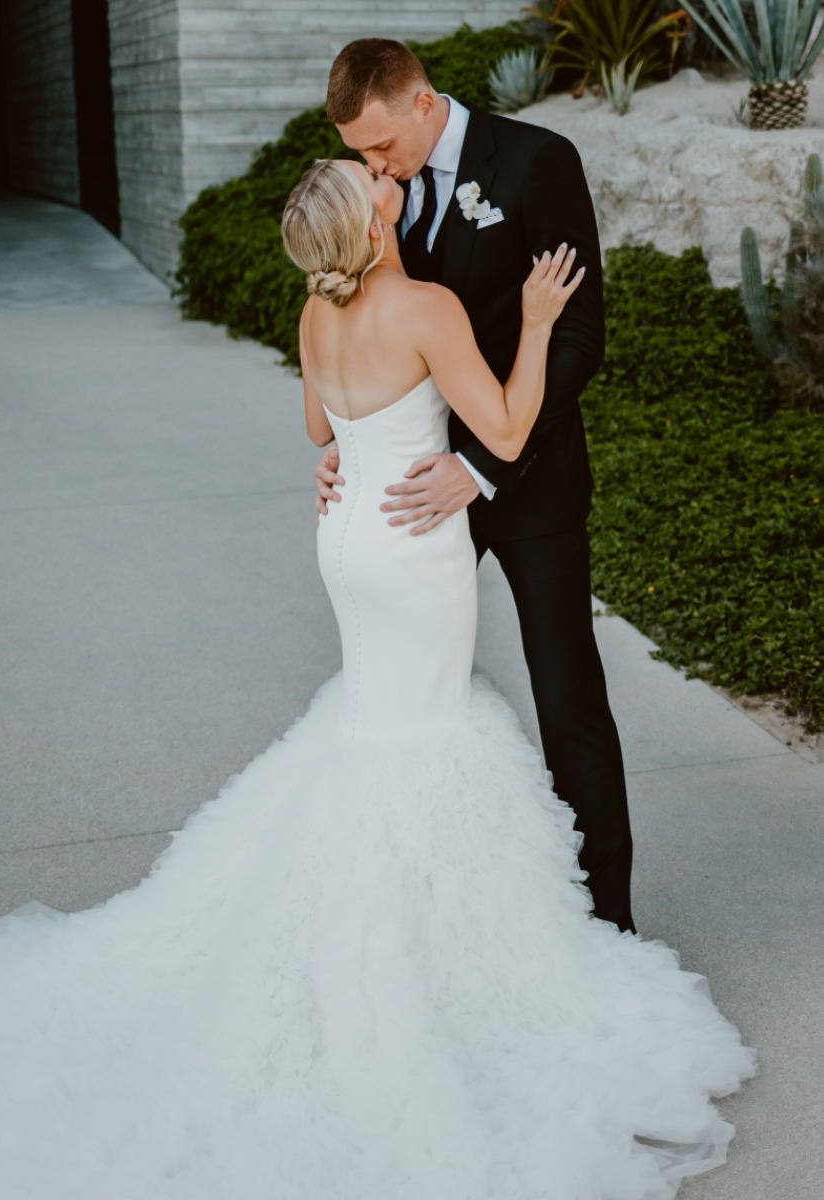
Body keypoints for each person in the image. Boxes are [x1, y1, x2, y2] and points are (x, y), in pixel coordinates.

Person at [0, 152, 754, 1199]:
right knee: (425, 738)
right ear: (367, 228)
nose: (385, 183)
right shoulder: (428, 304)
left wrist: (345, 451)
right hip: (414, 549)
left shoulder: (319, 314)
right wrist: (538, 325)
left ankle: (382, 929)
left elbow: (321, 429)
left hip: (350, 537)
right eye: (372, 189)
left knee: (379, 729)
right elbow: (501, 429)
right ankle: (427, 961)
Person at [317, 38, 635, 933]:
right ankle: (455, 921)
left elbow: (580, 337)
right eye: (358, 154)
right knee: (425, 710)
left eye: (380, 146)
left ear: (423, 102)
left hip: (524, 480)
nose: (371, 167)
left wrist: (485, 465)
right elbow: (358, 322)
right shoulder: (374, 193)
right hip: (411, 494)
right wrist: (354, 439)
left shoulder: (537, 163)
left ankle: (605, 919)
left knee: (567, 695)